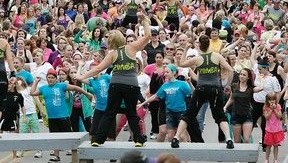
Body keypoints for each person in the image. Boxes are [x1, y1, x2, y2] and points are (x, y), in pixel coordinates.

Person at [74, 12, 151, 147]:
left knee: (110, 112)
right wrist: (144, 20)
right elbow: (148, 36)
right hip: (132, 85)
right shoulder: (131, 47)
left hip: (116, 85)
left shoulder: (112, 54)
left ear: (110, 42)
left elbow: (97, 69)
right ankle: (138, 139)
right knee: (131, 112)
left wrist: (81, 76)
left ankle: (98, 139)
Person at [170, 35, 235, 149]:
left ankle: (176, 138)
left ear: (199, 45)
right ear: (209, 44)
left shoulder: (198, 58)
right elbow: (231, 70)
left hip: (201, 89)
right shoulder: (217, 56)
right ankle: (229, 139)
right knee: (220, 115)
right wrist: (228, 85)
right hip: (215, 89)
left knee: (189, 114)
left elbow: (181, 64)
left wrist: (185, 49)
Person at [30, 68, 94, 163]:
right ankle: (56, 156)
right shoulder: (44, 88)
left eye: (52, 77)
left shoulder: (61, 86)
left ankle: (74, 156)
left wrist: (87, 94)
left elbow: (75, 88)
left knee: (70, 138)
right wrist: (35, 82)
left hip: (63, 116)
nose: (50, 79)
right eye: (48, 77)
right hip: (52, 118)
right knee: (55, 138)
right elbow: (32, 93)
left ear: (56, 79)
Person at [138, 64, 192, 142]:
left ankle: (186, 152)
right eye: (165, 72)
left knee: (182, 136)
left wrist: (189, 83)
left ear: (173, 72)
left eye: (167, 72)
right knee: (170, 136)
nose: (165, 74)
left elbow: (191, 93)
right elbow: (155, 96)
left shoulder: (182, 84)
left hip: (181, 111)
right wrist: (142, 103)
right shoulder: (164, 85)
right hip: (170, 112)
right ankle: (171, 152)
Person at [224, 68, 254, 143]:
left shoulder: (251, 88)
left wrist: (262, 78)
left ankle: (247, 154)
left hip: (247, 114)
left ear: (248, 77)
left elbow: (260, 88)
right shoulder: (234, 86)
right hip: (236, 114)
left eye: (244, 75)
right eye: (241, 74)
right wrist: (225, 107)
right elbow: (231, 98)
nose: (242, 76)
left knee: (247, 139)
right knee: (237, 140)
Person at [0, 77, 26, 163]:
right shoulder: (3, 95)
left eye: (10, 83)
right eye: (8, 84)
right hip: (3, 119)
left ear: (14, 85)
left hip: (12, 119)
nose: (8, 85)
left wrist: (24, 117)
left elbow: (22, 107)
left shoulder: (18, 95)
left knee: (13, 138)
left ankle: (15, 157)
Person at [263, 92, 285, 163]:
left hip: (277, 129)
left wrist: (275, 109)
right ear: (267, 100)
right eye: (270, 100)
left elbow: (280, 116)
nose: (272, 101)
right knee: (268, 146)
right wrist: (271, 110)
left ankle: (275, 159)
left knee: (276, 145)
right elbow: (266, 117)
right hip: (269, 129)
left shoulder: (278, 106)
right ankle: (267, 159)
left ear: (275, 100)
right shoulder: (266, 107)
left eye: (273, 99)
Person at [0, 38, 15, 120]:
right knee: (0, 104)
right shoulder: (4, 42)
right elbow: (9, 59)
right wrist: (13, 72)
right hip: (2, 75)